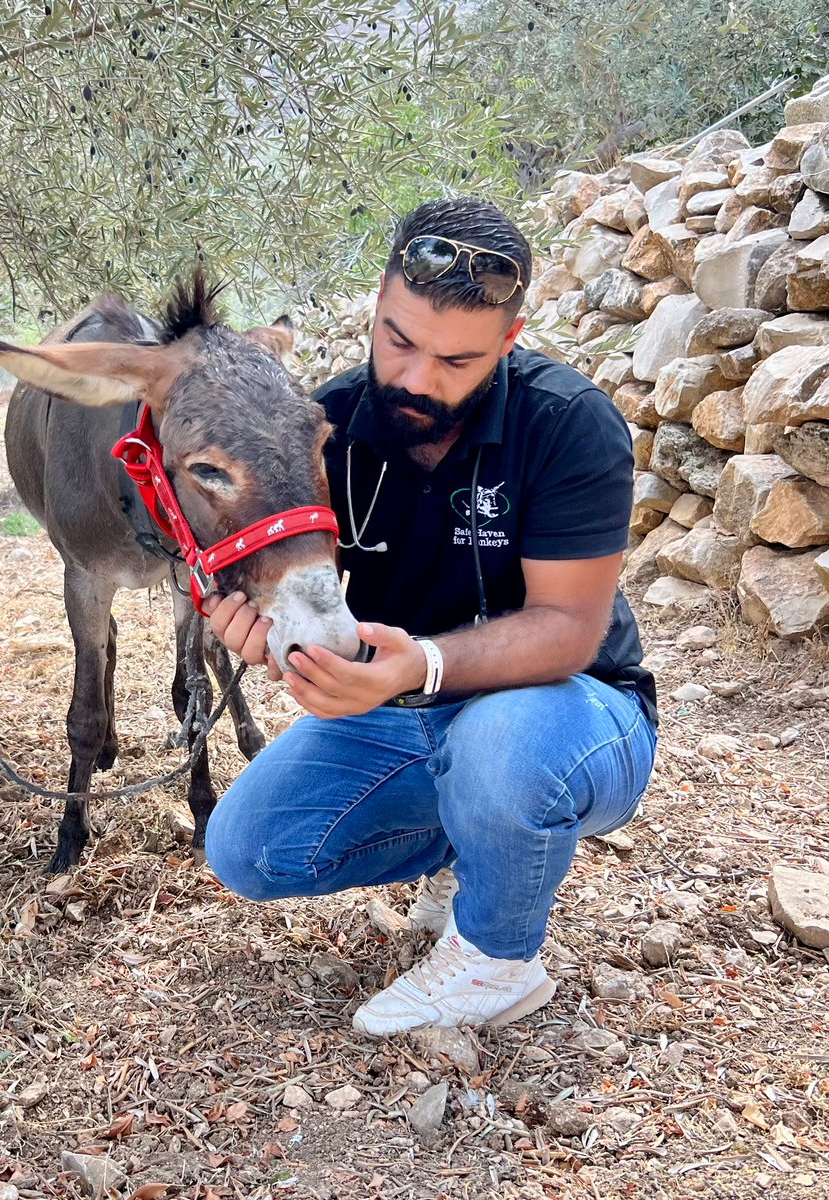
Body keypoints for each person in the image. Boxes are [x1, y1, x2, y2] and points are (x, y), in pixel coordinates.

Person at [202, 197, 658, 1037]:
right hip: (404, 711)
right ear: (378, 306)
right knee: (250, 850)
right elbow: (286, 580)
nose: (416, 379)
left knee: (500, 748)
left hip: (571, 710)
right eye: (398, 341)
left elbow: (568, 628)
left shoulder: (565, 423)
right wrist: (268, 634)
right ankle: (473, 847)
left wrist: (422, 664)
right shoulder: (322, 427)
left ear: (509, 341)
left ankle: (496, 959)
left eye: (456, 360)